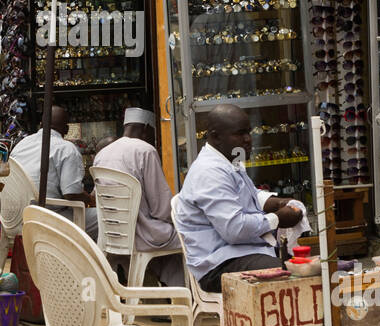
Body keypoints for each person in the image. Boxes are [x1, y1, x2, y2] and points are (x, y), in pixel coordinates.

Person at [172, 103, 304, 293]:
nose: (248, 140)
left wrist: (275, 202)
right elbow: (235, 229)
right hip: (218, 265)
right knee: (285, 274)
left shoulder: (229, 160)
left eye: (248, 133)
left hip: (241, 253)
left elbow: (247, 194)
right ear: (216, 137)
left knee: (303, 267)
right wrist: (277, 218)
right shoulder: (210, 172)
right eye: (240, 134)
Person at [92, 107, 185, 285]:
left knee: (171, 238)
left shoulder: (102, 154)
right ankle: (183, 296)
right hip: (143, 236)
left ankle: (159, 292)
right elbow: (162, 210)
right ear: (145, 129)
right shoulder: (145, 150)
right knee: (189, 235)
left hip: (113, 236)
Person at [9, 104, 98, 238]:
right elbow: (71, 194)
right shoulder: (67, 149)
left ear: (41, 124)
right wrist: (90, 199)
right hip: (46, 219)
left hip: (15, 219)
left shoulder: (21, 145)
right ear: (67, 129)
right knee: (105, 218)